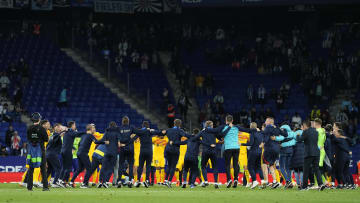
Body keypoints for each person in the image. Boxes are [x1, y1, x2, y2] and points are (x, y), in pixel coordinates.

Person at [204, 115, 238, 188]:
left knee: (227, 164)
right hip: (236, 147)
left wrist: (206, 129)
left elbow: (216, 132)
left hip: (227, 147)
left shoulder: (223, 127)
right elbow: (247, 130)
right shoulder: (237, 127)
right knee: (235, 164)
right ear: (232, 120)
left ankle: (229, 180)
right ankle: (236, 179)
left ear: (226, 120)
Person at [132, 121, 165, 187]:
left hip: (142, 151)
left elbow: (133, 137)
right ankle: (147, 180)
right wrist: (162, 131)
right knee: (148, 166)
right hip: (149, 151)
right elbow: (158, 133)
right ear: (148, 126)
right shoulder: (150, 131)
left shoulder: (140, 132)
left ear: (143, 126)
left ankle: (138, 180)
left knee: (140, 166)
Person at [296, 120, 326, 191]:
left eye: (303, 126)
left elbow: (300, 140)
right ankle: (321, 184)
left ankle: (304, 187)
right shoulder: (315, 131)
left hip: (309, 153)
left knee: (306, 170)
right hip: (316, 153)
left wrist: (297, 135)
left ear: (305, 125)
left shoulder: (306, 131)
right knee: (316, 169)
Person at [163, 119, 192, 188]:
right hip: (175, 150)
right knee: (173, 166)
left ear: (174, 123)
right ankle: (169, 182)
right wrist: (192, 136)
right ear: (180, 124)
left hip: (168, 149)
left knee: (169, 165)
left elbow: (161, 133)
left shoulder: (169, 130)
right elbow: (186, 136)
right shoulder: (180, 131)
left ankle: (166, 180)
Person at [26, 112, 49, 191]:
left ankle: (29, 187)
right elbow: (46, 139)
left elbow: (28, 138)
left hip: (32, 151)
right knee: (43, 169)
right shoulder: (42, 128)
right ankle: (45, 187)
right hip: (41, 150)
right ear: (39, 119)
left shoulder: (29, 128)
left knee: (31, 169)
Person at [237, 122, 264, 189]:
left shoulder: (251, 133)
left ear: (251, 127)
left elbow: (251, 143)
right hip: (259, 152)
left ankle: (254, 181)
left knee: (249, 167)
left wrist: (242, 144)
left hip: (252, 152)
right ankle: (263, 181)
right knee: (258, 167)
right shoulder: (260, 133)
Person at [58, 121, 85, 187]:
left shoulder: (67, 132)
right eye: (74, 125)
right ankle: (61, 181)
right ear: (72, 125)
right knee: (68, 168)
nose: (75, 126)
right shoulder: (70, 132)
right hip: (68, 151)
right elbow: (78, 134)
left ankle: (61, 180)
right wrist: (86, 132)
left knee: (64, 167)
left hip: (63, 151)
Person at [196, 121, 220, 189]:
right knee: (215, 167)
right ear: (211, 125)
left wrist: (203, 142)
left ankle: (206, 181)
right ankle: (216, 182)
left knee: (203, 166)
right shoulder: (214, 131)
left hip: (205, 151)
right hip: (213, 151)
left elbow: (197, 137)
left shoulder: (203, 131)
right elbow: (219, 137)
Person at [274, 124, 297, 189]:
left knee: (281, 167)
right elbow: (296, 140)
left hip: (283, 151)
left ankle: (288, 181)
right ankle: (289, 182)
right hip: (291, 151)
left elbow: (280, 138)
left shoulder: (283, 134)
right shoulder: (293, 133)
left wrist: (275, 138)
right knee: (288, 168)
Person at [46, 123, 67, 188]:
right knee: (58, 168)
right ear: (55, 127)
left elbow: (48, 145)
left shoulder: (52, 135)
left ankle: (43, 182)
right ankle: (54, 182)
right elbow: (58, 136)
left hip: (48, 154)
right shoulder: (56, 135)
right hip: (53, 154)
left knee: (50, 169)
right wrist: (65, 130)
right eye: (59, 127)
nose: (60, 128)